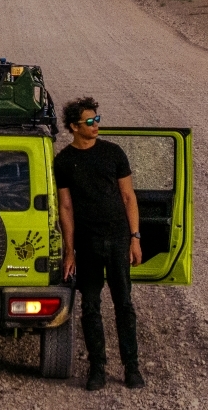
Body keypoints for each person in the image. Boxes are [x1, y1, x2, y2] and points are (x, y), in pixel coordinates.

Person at [54, 96, 144, 391]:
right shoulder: (64, 161)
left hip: (118, 239)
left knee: (124, 304)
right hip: (87, 242)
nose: (96, 125)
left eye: (97, 119)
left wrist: (135, 238)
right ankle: (98, 368)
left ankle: (132, 368)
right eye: (90, 121)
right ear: (73, 127)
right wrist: (70, 251)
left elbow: (129, 198)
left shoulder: (113, 153)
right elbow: (65, 208)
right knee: (90, 306)